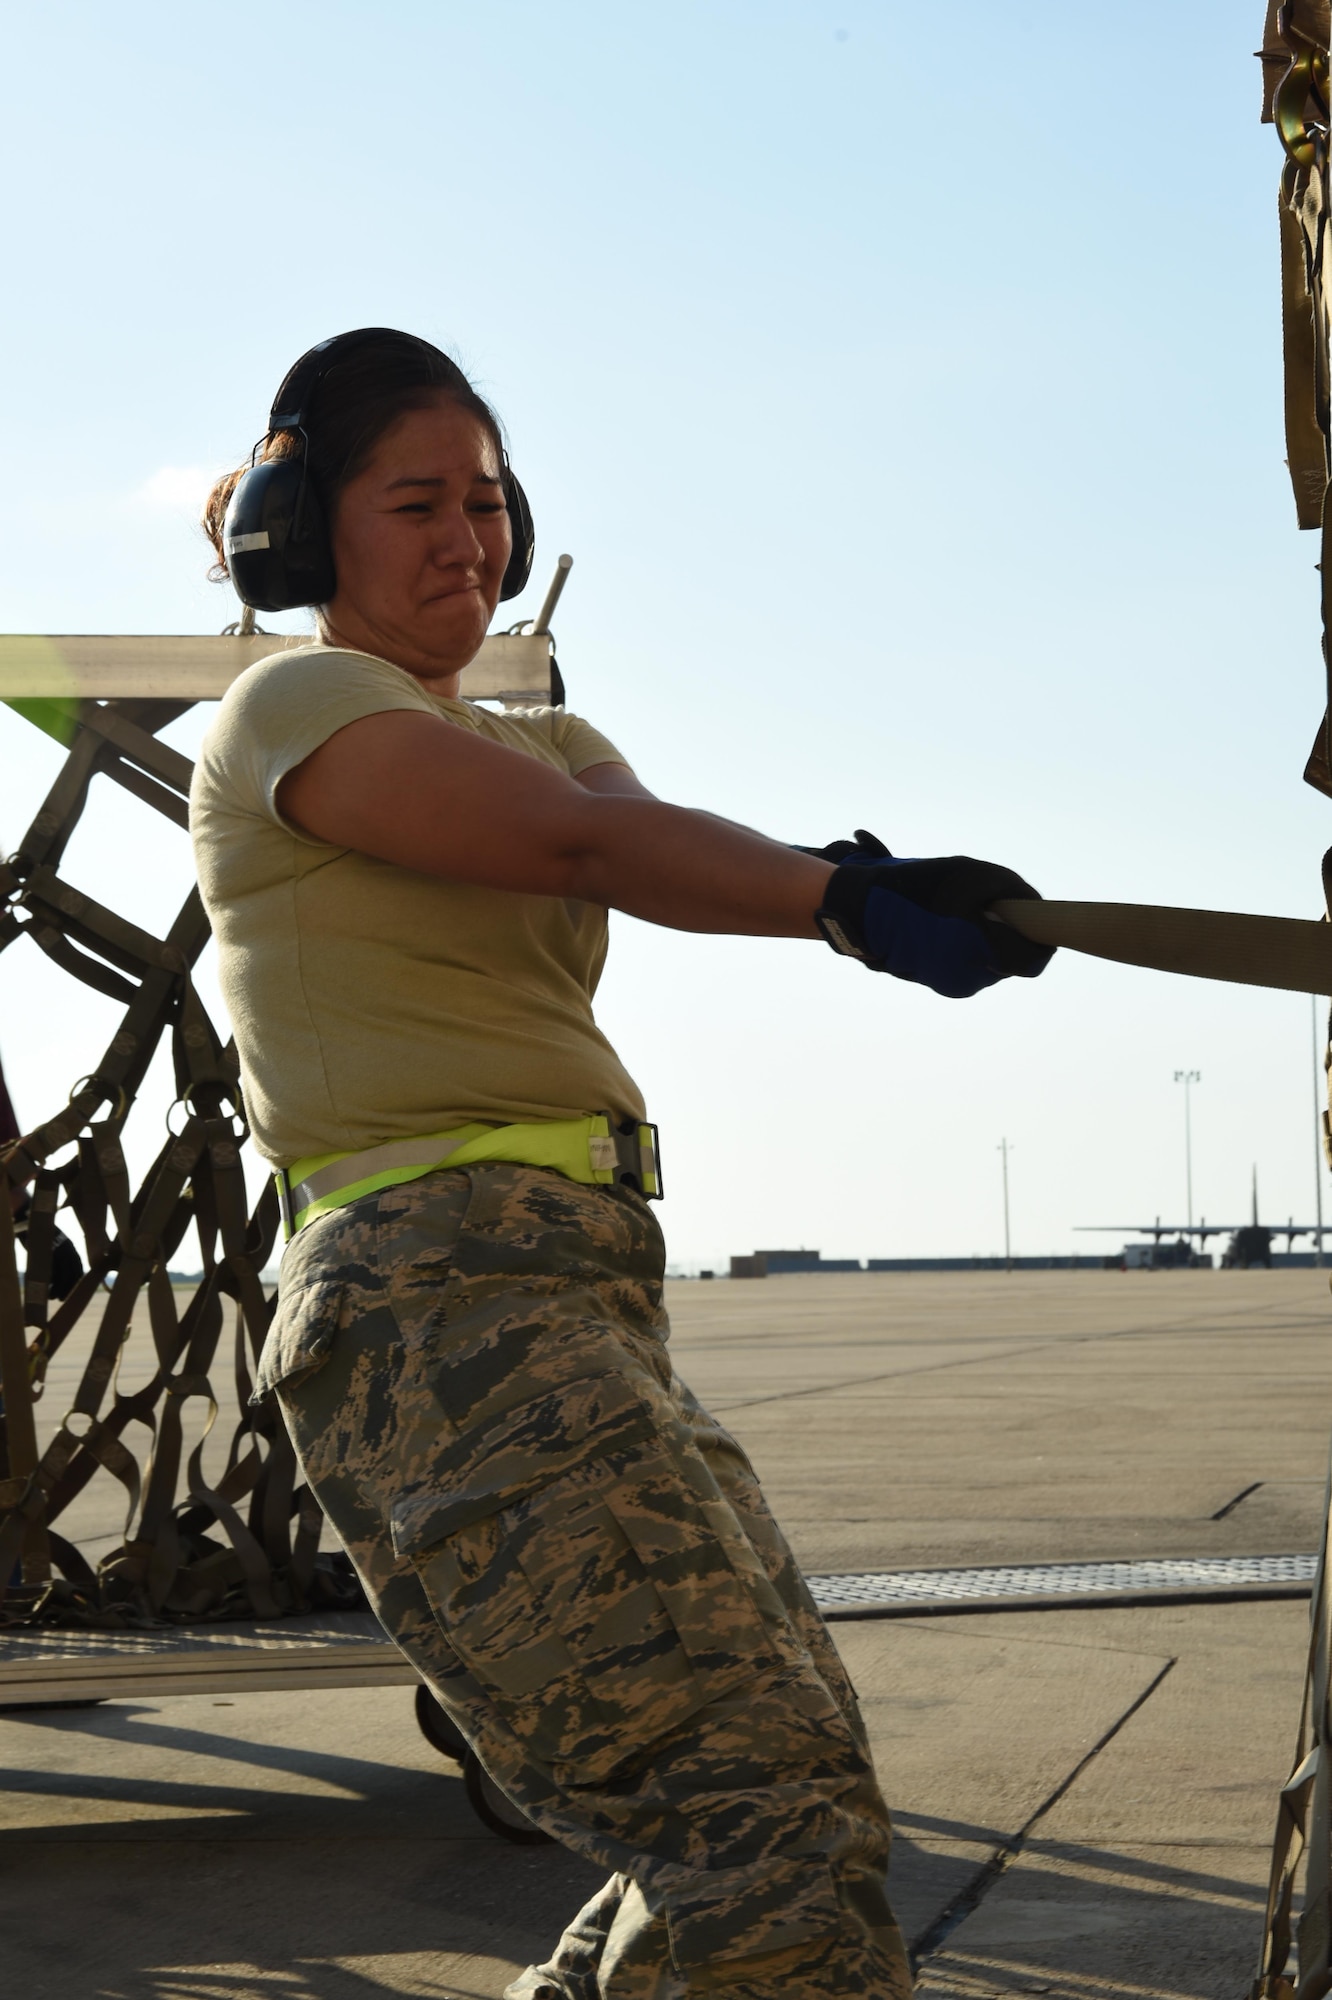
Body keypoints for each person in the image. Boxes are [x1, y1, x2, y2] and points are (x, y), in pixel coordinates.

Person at [191, 328, 1052, 2000]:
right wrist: (846, 905)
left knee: (791, 1792)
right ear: (307, 528)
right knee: (759, 1825)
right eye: (416, 500)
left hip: (580, 1294)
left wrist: (844, 880)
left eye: (491, 499)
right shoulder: (293, 705)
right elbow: (588, 853)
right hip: (429, 1307)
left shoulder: (547, 735)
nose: (469, 538)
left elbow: (645, 833)